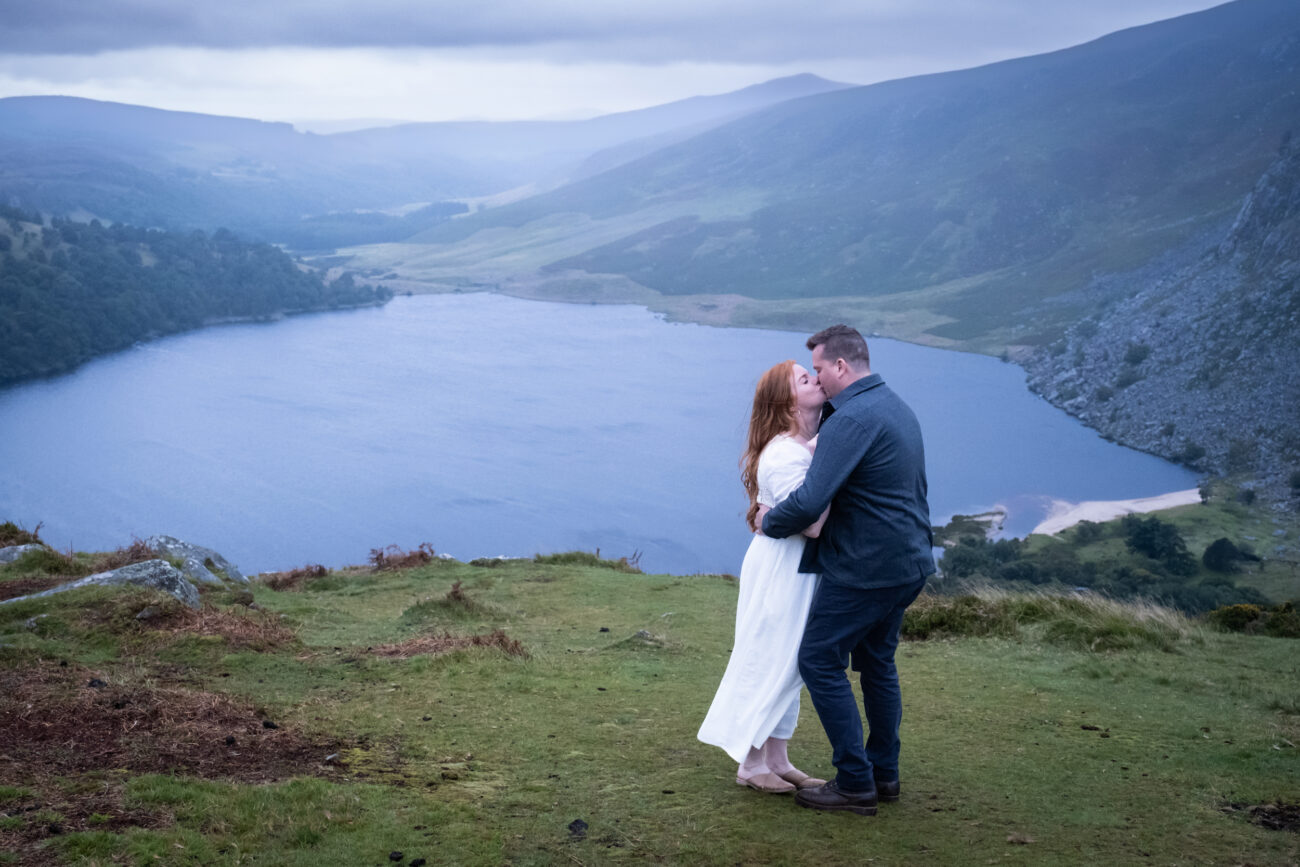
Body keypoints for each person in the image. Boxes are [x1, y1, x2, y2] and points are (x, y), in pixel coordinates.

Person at [760, 324, 935, 816]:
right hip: (908, 562)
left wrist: (767, 521)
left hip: (867, 567)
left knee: (818, 658)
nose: (816, 379)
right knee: (877, 663)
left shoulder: (852, 418)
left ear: (840, 365)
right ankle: (884, 773)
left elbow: (811, 500)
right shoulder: (894, 406)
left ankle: (855, 782)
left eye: (817, 369)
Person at [697, 360, 831, 794]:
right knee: (772, 655)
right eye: (805, 379)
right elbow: (811, 524)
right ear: (787, 401)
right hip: (782, 567)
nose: (817, 379)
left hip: (793, 564)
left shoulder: (802, 447)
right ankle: (751, 764)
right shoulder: (784, 454)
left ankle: (777, 758)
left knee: (790, 659)